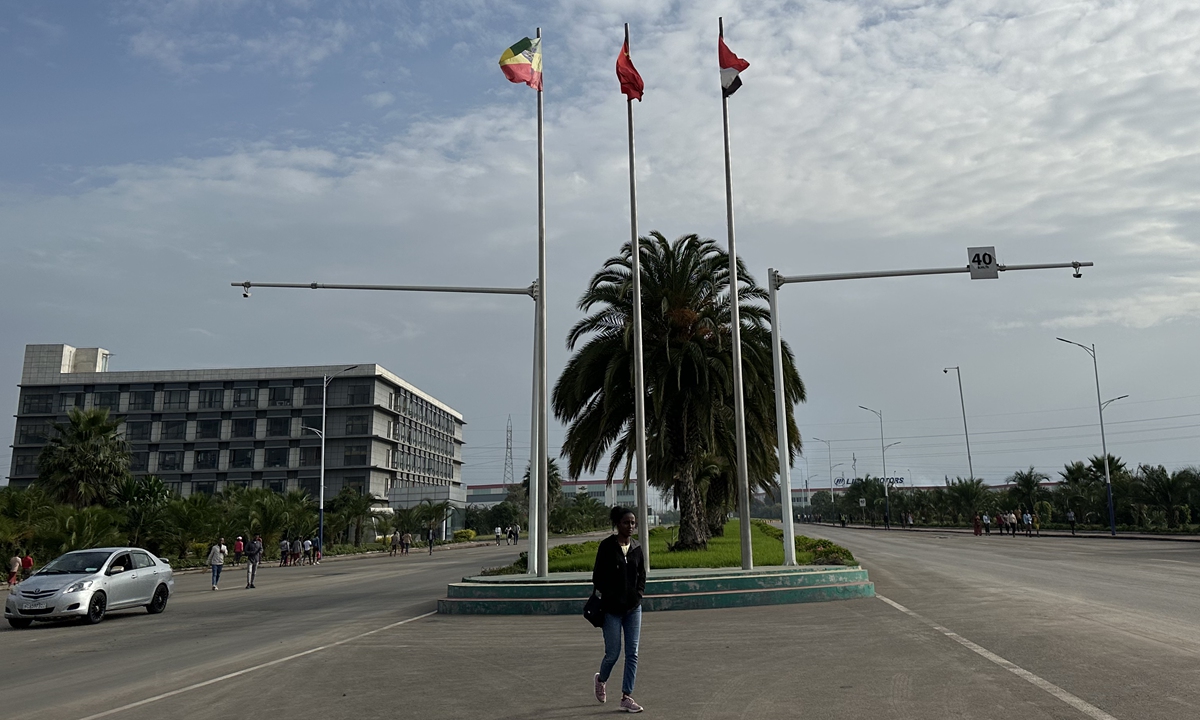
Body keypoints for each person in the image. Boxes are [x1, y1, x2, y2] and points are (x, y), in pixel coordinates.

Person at [592, 506, 646, 713]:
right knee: (613, 653)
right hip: (612, 610)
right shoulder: (606, 547)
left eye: (633, 522)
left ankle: (626, 696)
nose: (630, 526)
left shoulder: (637, 547)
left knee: (632, 653)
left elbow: (642, 574)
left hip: (633, 609)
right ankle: (601, 679)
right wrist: (612, 596)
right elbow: (597, 577)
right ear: (617, 524)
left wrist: (638, 595)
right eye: (626, 522)